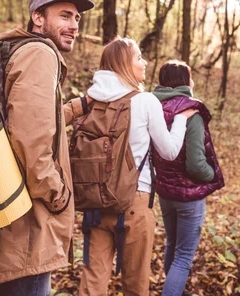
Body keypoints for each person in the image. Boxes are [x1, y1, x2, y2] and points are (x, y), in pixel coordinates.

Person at [0, 0, 94, 296]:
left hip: (15, 209)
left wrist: (74, 108)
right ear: (38, 18)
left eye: (76, 19)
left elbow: (30, 115)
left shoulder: (22, 51)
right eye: (64, 16)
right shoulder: (39, 53)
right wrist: (56, 192)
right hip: (30, 219)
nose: (74, 25)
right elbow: (30, 138)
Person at [78, 38, 198, 296]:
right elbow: (169, 151)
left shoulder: (92, 100)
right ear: (124, 65)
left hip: (94, 202)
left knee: (93, 282)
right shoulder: (145, 102)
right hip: (134, 202)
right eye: (138, 58)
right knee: (135, 284)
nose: (144, 63)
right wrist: (180, 119)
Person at [152, 60, 225, 296]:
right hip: (189, 197)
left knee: (172, 246)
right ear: (184, 80)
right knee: (183, 257)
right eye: (190, 77)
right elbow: (195, 164)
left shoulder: (153, 107)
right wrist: (211, 174)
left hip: (164, 192)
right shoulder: (191, 112)